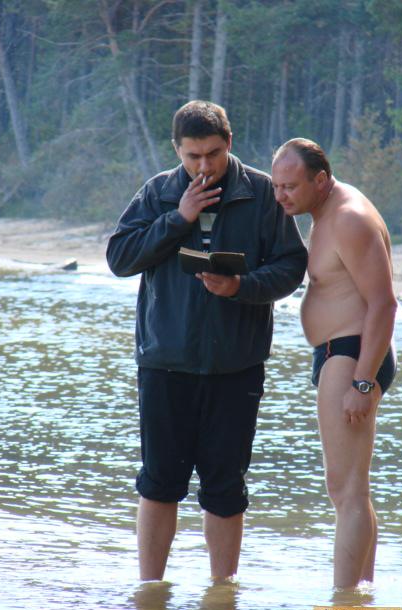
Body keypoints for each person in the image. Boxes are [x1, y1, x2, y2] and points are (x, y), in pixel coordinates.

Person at [106, 101, 308, 581]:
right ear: (176, 149)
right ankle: (150, 595)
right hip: (164, 363)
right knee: (159, 483)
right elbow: (119, 258)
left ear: (230, 143)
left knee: (225, 488)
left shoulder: (262, 192)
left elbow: (291, 266)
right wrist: (178, 218)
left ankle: (222, 597)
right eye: (192, 156)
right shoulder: (158, 192)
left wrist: (241, 287)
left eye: (213, 154)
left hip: (237, 366)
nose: (203, 166)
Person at [271, 138, 397, 589]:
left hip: (352, 355)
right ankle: (362, 598)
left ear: (321, 180)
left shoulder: (348, 219)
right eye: (277, 186)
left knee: (346, 492)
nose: (281, 196)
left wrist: (362, 383)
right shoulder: (325, 212)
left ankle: (343, 606)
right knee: (353, 490)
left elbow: (384, 304)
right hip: (340, 354)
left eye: (290, 187)